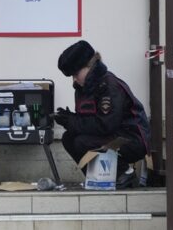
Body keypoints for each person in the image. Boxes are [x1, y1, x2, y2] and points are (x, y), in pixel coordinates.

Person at [55, 40, 151, 189]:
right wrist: (68, 118)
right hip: (112, 135)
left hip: (132, 139)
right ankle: (96, 177)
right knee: (69, 138)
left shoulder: (108, 85)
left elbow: (105, 124)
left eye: (75, 74)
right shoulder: (82, 88)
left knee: (81, 142)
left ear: (89, 66)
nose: (74, 79)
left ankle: (125, 172)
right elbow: (88, 120)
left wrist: (72, 121)